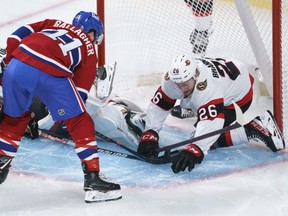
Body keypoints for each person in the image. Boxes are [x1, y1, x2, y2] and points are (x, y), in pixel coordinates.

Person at [0, 11, 122, 203]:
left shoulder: (53, 23)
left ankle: (1, 162)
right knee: (81, 121)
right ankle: (93, 180)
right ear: (92, 32)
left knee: (14, 119)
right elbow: (79, 99)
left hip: (16, 65)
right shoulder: (89, 50)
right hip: (50, 72)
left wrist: (9, 62)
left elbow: (15, 35)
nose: (94, 41)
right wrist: (61, 116)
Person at [137, 54, 285, 174]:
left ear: (195, 75)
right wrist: (150, 133)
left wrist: (196, 148)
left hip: (238, 96)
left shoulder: (207, 87)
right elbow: (159, 104)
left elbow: (212, 122)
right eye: (178, 85)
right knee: (192, 101)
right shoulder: (174, 79)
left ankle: (253, 127)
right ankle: (194, 109)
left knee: (199, 138)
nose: (181, 89)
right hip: (227, 75)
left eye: (185, 85)